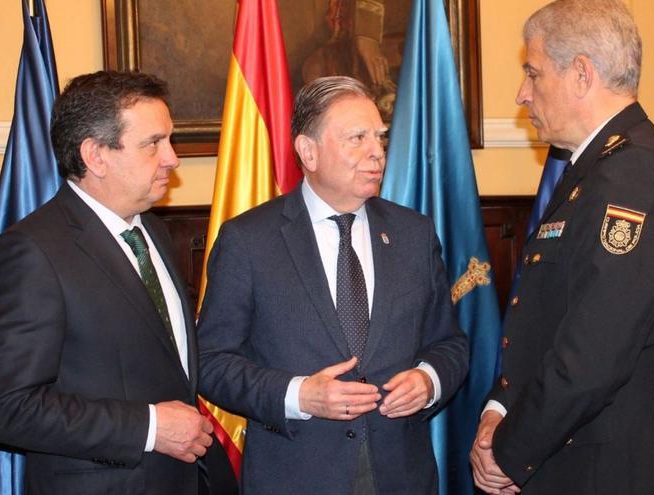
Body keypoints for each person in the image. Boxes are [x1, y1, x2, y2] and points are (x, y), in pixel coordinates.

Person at [469, 1, 654, 493]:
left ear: (581, 74)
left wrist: (509, 451)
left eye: (533, 74)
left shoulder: (634, 175)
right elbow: (544, 319)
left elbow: (592, 355)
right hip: (573, 450)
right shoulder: (592, 168)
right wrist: (499, 407)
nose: (522, 94)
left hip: (613, 467)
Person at [197, 76, 469, 495]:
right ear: (308, 151)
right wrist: (299, 395)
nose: (377, 152)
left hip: (401, 474)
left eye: (379, 137)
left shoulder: (413, 233)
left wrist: (428, 380)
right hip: (295, 475)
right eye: (357, 138)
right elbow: (211, 362)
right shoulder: (248, 241)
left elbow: (449, 343)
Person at [0, 70, 237, 494]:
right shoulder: (31, 252)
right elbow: (10, 409)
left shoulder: (152, 231)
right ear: (96, 155)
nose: (172, 158)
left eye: (168, 140)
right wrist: (150, 427)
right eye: (153, 143)